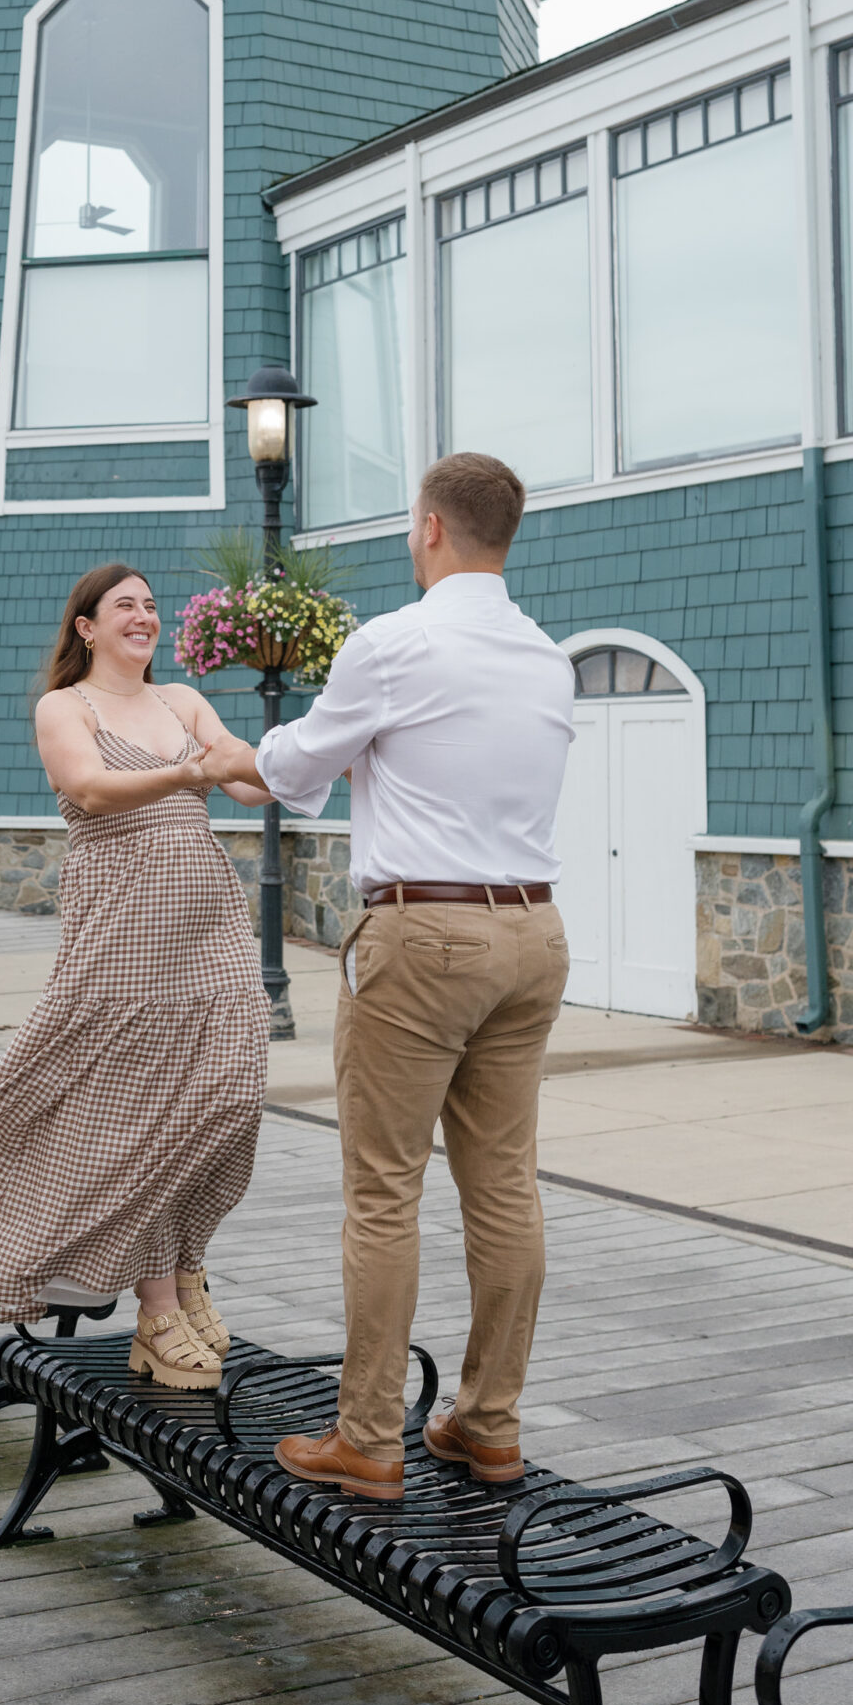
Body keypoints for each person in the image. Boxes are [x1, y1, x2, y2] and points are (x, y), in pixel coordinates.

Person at [198, 453, 575, 1500]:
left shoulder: (395, 643)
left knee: (382, 1191)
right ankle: (487, 1423)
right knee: (503, 1187)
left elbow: (293, 767)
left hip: (423, 940)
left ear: (429, 529)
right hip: (533, 935)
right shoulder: (549, 660)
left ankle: (366, 1438)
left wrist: (218, 755)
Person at [0, 562, 273, 1390]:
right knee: (136, 1113)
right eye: (125, 607)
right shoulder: (64, 707)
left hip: (209, 924)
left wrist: (306, 758)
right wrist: (192, 773)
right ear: (86, 626)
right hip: (124, 925)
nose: (144, 618)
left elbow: (250, 783)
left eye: (152, 607)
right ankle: (156, 1311)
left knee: (226, 1092)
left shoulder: (182, 702)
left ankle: (187, 1264)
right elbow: (89, 786)